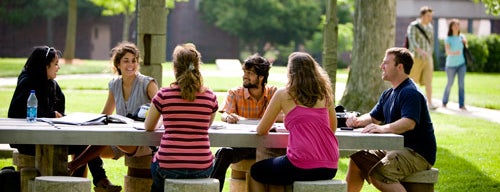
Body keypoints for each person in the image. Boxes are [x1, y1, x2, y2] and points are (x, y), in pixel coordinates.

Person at [8, 46, 120, 191]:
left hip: (50, 136)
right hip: (29, 140)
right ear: (44, 65)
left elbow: (59, 112)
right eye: (55, 64)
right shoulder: (27, 83)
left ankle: (87, 181)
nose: (58, 67)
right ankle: (98, 181)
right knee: (83, 144)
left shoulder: (51, 83)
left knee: (88, 142)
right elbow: (21, 115)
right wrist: (51, 115)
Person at [345, 47, 436, 192]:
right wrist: (356, 121)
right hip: (394, 148)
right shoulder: (388, 94)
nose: (381, 66)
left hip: (416, 153)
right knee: (358, 160)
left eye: (386, 63)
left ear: (399, 67)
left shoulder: (410, 92)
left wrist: (382, 128)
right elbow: (373, 117)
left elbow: (409, 122)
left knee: (379, 171)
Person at [67, 42, 158, 185]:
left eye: (134, 61)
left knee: (108, 136)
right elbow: (105, 114)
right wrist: (86, 125)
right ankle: (98, 182)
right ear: (118, 64)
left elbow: (162, 108)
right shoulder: (115, 84)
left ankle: (72, 166)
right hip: (119, 139)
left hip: (141, 140)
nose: (131, 65)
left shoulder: (147, 83)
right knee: (85, 142)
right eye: (126, 61)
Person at [250, 52, 339, 185]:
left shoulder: (283, 94)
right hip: (330, 166)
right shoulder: (325, 95)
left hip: (300, 165)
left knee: (256, 170)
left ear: (290, 72)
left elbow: (261, 130)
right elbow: (332, 128)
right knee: (282, 167)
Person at [144, 43, 218, 192]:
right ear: (198, 67)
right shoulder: (210, 96)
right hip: (202, 166)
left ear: (175, 68)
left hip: (168, 165)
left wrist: (161, 121)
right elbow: (206, 125)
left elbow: (148, 126)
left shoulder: (164, 95)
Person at [211, 54, 283, 191]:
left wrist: (270, 118)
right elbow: (225, 114)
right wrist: (228, 117)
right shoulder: (235, 93)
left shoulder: (274, 93)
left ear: (261, 77)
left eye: (249, 73)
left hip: (269, 145)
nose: (245, 76)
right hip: (243, 145)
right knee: (223, 153)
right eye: (244, 72)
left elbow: (286, 116)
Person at [407, 6, 436, 109]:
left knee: (429, 80)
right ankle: (411, 102)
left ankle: (430, 103)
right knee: (413, 81)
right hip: (416, 57)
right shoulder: (414, 26)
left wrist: (430, 53)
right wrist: (420, 51)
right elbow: (412, 40)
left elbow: (431, 42)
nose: (430, 18)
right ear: (422, 15)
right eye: (428, 16)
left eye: (431, 16)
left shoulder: (430, 27)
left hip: (428, 58)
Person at [442, 19, 467, 110]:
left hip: (461, 64)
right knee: (450, 83)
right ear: (451, 27)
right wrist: (454, 53)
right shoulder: (448, 39)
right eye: (454, 25)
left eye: (458, 25)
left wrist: (465, 43)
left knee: (461, 84)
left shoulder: (462, 37)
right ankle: (444, 102)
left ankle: (461, 104)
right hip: (450, 65)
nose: (456, 27)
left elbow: (466, 48)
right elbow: (447, 51)